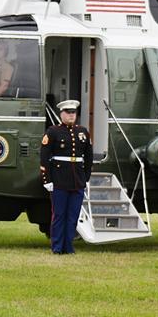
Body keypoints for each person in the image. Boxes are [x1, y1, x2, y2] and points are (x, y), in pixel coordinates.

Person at [39, 100, 93, 255]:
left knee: (73, 216)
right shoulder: (53, 131)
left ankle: (68, 247)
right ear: (61, 114)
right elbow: (44, 157)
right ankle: (57, 247)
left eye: (73, 113)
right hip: (59, 180)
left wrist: (86, 177)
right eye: (68, 113)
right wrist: (47, 180)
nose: (71, 115)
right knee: (59, 215)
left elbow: (88, 157)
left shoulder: (82, 132)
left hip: (77, 180)